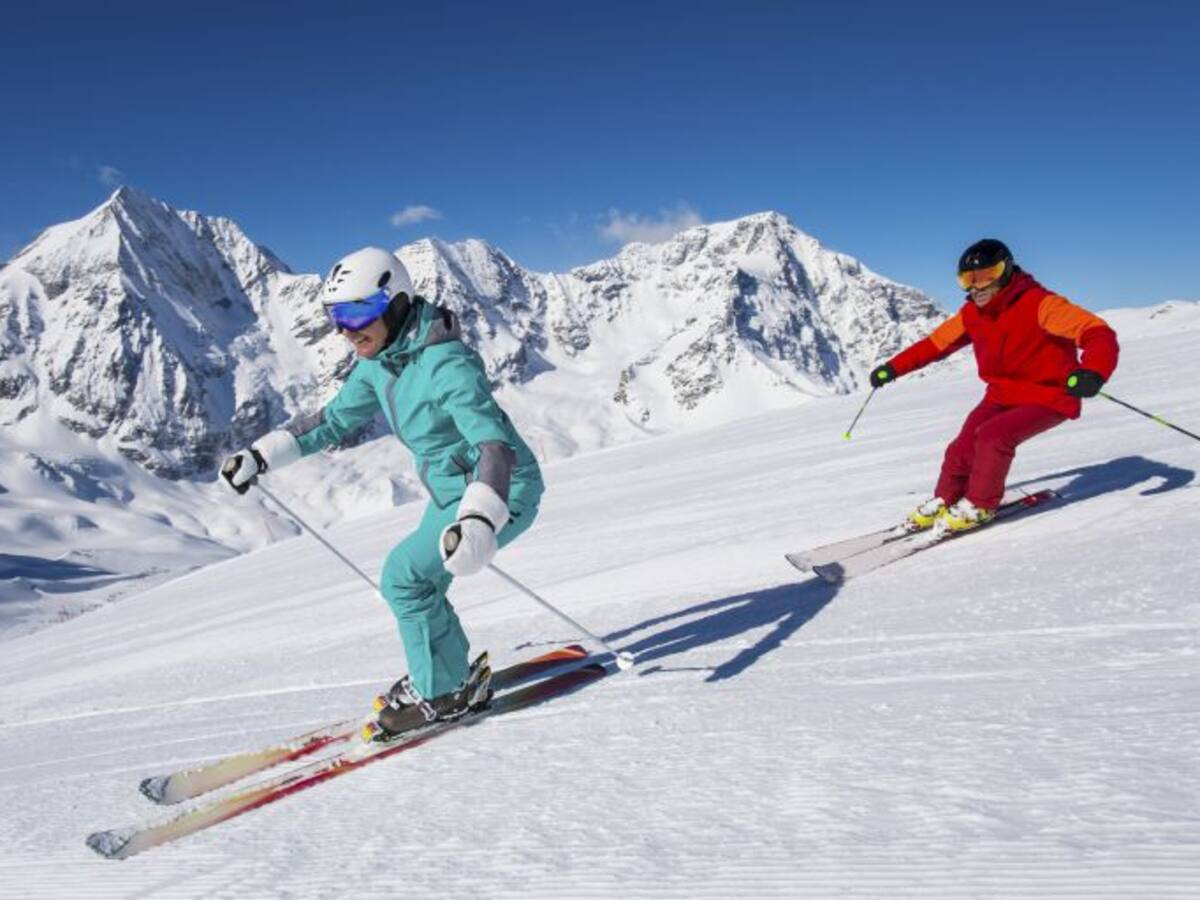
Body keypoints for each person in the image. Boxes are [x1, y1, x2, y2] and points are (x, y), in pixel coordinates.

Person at [220, 247, 544, 735]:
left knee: (405, 579)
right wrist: (261, 455)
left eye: (356, 313)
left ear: (396, 303)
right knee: (417, 582)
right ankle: (448, 676)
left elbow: (491, 443)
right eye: (336, 317)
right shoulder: (380, 364)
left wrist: (481, 517)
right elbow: (332, 421)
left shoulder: (446, 363)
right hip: (451, 494)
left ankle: (445, 691)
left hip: (500, 488)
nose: (346, 331)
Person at [869, 238, 1119, 536]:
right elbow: (935, 345)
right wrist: (892, 368)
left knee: (993, 436)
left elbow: (1097, 332)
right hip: (1000, 396)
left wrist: (1094, 370)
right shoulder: (973, 314)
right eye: (968, 279)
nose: (977, 286)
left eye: (987, 275)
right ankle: (945, 499)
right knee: (961, 448)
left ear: (1006, 271)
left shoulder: (1041, 304)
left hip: (1049, 396)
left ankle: (980, 505)